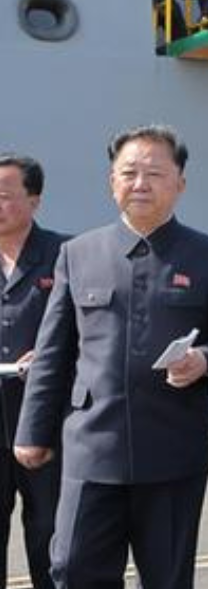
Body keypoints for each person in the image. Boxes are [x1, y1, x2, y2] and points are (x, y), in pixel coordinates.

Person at [13, 124, 208, 588]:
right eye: (128, 173)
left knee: (166, 577)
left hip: (174, 448)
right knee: (72, 568)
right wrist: (32, 432)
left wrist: (206, 359)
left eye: (154, 173)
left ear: (180, 183)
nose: (140, 183)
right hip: (91, 445)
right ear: (112, 182)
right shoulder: (77, 254)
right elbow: (53, 352)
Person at [0, 154, 67, 589]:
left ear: (35, 200)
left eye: (4, 195)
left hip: (45, 416)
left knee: (49, 529)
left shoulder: (65, 255)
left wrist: (48, 356)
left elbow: (93, 329)